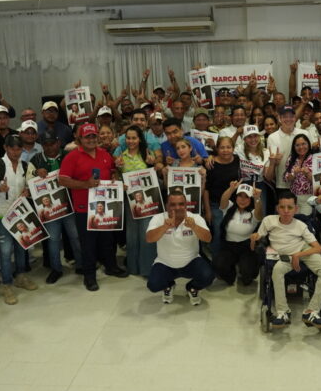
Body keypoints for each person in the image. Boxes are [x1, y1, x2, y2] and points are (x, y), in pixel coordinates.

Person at [59, 123, 128, 291]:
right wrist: (85, 184)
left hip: (105, 204)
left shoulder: (104, 154)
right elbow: (62, 180)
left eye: (93, 136)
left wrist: (115, 178)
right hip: (84, 207)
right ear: (79, 139)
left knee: (107, 239)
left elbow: (112, 171)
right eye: (87, 137)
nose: (91, 140)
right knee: (88, 243)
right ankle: (89, 276)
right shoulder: (72, 156)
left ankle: (111, 266)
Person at [250, 191, 321, 329]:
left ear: (296, 209)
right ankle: (283, 312)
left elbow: (319, 248)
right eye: (282, 207)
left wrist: (298, 255)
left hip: (304, 251)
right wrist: (253, 239)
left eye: (290, 207)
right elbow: (255, 243)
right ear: (277, 208)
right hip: (285, 256)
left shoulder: (301, 225)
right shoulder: (268, 221)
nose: (286, 211)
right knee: (277, 270)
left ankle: (312, 311)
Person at [27, 129, 83, 283]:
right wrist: (36, 173)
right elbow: (28, 179)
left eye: (52, 143)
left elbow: (79, 173)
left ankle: (81, 264)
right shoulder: (36, 159)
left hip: (69, 205)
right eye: (45, 144)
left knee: (75, 236)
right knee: (53, 240)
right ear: (42, 145)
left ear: (58, 142)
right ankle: (56, 269)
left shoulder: (68, 155)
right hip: (49, 209)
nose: (49, 147)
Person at [0, 135, 38, 305]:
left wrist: (27, 192)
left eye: (19, 149)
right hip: (2, 215)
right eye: (12, 149)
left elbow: (32, 186)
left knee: (21, 246)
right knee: (5, 251)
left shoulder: (26, 165)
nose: (15, 152)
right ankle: (7, 284)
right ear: (5, 148)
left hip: (20, 213)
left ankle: (21, 276)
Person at [145, 190, 214, 305]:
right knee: (153, 285)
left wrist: (194, 226)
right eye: (173, 204)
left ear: (186, 205)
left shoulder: (195, 218)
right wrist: (165, 227)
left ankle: (192, 287)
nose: (177, 208)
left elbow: (208, 238)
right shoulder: (158, 218)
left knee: (208, 276)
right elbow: (149, 239)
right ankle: (169, 285)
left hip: (191, 262)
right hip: (165, 263)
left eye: (181, 204)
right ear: (167, 205)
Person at [113, 126, 158, 277]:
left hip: (147, 199)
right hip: (129, 199)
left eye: (134, 138)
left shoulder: (147, 154)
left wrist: (152, 164)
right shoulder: (121, 156)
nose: (131, 141)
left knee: (146, 232)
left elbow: (155, 173)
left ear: (140, 139)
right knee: (131, 235)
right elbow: (115, 177)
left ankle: (147, 269)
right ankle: (133, 267)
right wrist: (119, 179)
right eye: (128, 138)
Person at [214, 182, 263, 285]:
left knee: (248, 276)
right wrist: (231, 189)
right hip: (228, 246)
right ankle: (231, 274)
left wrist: (257, 198)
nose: (242, 199)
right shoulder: (229, 208)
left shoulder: (253, 213)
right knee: (219, 264)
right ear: (236, 197)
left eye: (246, 197)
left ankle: (244, 271)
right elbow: (223, 200)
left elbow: (259, 214)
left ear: (250, 199)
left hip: (246, 247)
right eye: (240, 196)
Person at [203, 137, 240, 256]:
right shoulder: (211, 164)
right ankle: (216, 257)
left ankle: (230, 256)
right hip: (216, 204)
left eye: (228, 147)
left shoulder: (237, 159)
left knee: (233, 230)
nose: (225, 150)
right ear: (217, 149)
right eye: (222, 147)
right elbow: (206, 189)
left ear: (233, 148)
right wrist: (207, 211)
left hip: (235, 203)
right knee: (219, 230)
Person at [266, 106, 309, 195]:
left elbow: (311, 156)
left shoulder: (305, 133)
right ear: (279, 118)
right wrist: (274, 162)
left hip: (304, 184)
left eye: (291, 116)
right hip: (283, 185)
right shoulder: (272, 137)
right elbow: (271, 163)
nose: (288, 119)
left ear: (295, 118)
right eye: (285, 116)